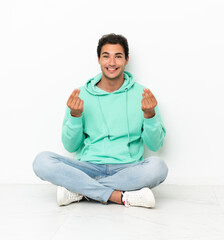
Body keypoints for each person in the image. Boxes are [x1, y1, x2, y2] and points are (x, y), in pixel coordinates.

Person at [33, 33, 168, 208]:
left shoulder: (143, 95)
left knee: (158, 167)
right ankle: (121, 197)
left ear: (126, 60)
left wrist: (150, 115)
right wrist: (75, 116)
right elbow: (71, 147)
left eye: (118, 56)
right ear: (98, 59)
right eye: (106, 56)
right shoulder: (80, 95)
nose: (112, 63)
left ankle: (80, 191)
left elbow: (155, 145)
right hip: (88, 167)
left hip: (127, 168)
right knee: (41, 161)